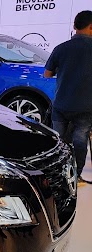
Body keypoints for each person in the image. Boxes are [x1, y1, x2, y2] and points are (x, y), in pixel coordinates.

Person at [44, 10, 92, 182]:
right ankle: (75, 175)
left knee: (57, 140)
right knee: (80, 140)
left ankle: (54, 173)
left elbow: (47, 74)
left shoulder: (61, 48)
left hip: (61, 104)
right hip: (86, 107)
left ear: (74, 26)